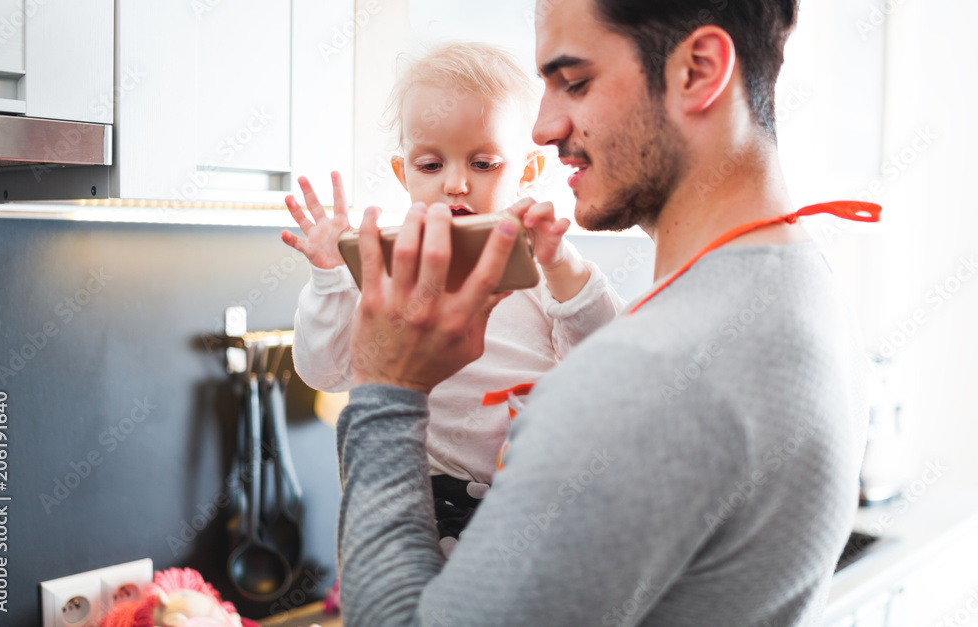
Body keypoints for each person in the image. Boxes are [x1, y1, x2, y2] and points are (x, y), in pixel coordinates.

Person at [333, 0, 877, 624]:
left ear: (698, 71)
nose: (541, 127)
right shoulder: (806, 285)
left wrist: (386, 389)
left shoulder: (642, 376)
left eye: (575, 82)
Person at [283, 43, 624, 555]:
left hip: (537, 507)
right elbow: (323, 370)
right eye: (430, 164)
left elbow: (605, 368)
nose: (456, 183)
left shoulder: (540, 260)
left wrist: (562, 268)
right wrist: (331, 278)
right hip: (418, 509)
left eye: (484, 163)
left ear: (527, 172)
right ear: (404, 174)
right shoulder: (386, 269)